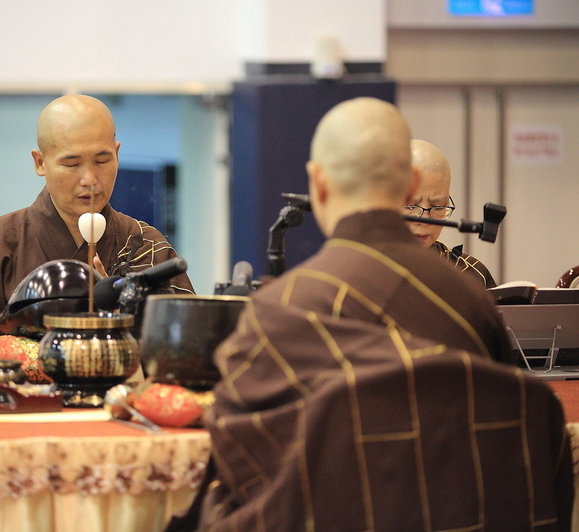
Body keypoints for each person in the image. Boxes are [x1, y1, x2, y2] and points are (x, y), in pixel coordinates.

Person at [171, 98, 572, 531]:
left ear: (318, 183)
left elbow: (239, 460)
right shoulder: (472, 303)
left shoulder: (281, 309)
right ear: (411, 182)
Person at [0, 94, 194, 368]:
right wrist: (31, 361)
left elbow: (185, 351)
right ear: (40, 162)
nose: (90, 179)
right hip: (26, 410)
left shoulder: (145, 246)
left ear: (116, 154)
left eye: (102, 161)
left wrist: (120, 321)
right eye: (71, 163)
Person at [405, 139, 497, 288]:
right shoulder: (363, 268)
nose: (424, 219)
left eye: (438, 206)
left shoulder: (469, 274)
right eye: (410, 205)